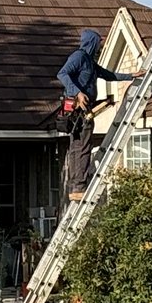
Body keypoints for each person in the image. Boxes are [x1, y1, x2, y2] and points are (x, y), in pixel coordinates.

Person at [55, 28, 131, 203]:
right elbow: (62, 74)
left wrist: (132, 76)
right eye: (98, 43)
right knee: (81, 148)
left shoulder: (89, 61)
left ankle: (77, 187)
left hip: (84, 108)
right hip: (77, 110)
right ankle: (79, 187)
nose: (99, 47)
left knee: (78, 148)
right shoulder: (79, 57)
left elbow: (108, 75)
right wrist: (78, 93)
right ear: (91, 42)